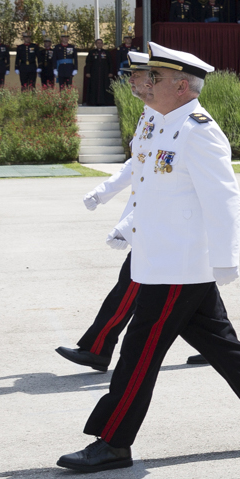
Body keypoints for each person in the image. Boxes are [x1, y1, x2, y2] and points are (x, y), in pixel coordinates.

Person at [57, 42, 240, 472]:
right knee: (218, 342)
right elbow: (152, 192)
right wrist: (128, 226)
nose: (146, 84)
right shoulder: (157, 123)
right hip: (159, 257)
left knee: (139, 351)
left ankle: (113, 441)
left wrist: (227, 259)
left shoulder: (199, 130)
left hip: (180, 264)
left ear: (182, 87)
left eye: (154, 78)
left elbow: (224, 198)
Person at [59, 51, 157, 371]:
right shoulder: (148, 115)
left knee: (128, 287)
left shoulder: (166, 120)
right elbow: (136, 164)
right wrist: (103, 192)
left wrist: (129, 225)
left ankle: (98, 348)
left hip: (161, 224)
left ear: (152, 80)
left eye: (136, 76)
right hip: (157, 225)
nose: (130, 80)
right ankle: (221, 344)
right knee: (196, 296)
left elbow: (161, 184)